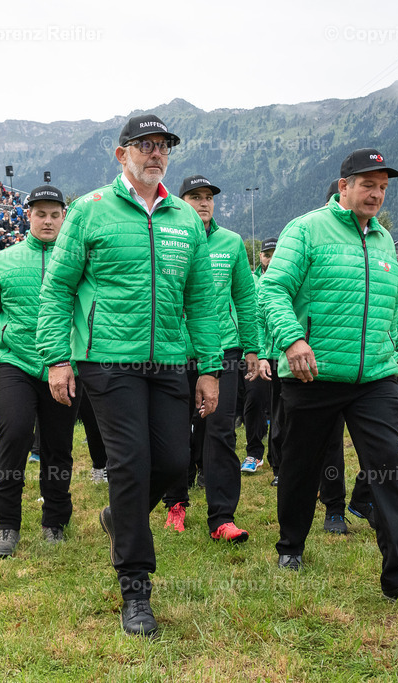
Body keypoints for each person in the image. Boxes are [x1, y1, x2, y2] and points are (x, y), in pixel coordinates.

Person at [37, 114, 222, 636]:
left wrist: (209, 368)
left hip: (169, 359)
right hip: (107, 359)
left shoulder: (185, 219)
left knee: (175, 461)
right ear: (122, 155)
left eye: (163, 145)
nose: (155, 153)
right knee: (131, 463)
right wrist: (57, 357)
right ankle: (135, 589)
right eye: (145, 145)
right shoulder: (90, 210)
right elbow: (58, 289)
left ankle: (120, 516)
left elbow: (201, 299)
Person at [259, 148, 398, 611]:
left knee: (388, 469)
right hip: (313, 372)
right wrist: (292, 339)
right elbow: (273, 290)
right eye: (367, 185)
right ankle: (291, 546)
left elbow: (393, 301)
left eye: (382, 187)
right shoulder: (306, 229)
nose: (376, 194)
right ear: (344, 187)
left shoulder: (383, 239)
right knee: (301, 468)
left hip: (374, 376)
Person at [0, 185, 80, 557]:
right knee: (14, 434)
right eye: (40, 214)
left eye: (55, 214)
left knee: (58, 445)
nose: (48, 221)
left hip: (64, 366)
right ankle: (7, 524)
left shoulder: (79, 260)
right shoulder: (4, 261)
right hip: (14, 361)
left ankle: (54, 521)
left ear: (64, 217)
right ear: (27, 216)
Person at [162, 174, 259, 541]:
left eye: (208, 197)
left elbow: (246, 297)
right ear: (180, 202)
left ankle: (222, 518)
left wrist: (252, 347)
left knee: (220, 431)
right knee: (175, 433)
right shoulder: (167, 239)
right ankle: (176, 503)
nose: (203, 202)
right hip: (175, 350)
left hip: (224, 350)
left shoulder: (231, 242)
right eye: (195, 196)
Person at [243, 237, 280, 482]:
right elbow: (253, 319)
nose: (271, 258)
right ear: (260, 257)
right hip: (257, 353)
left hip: (282, 354)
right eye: (267, 254)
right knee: (254, 400)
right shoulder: (250, 281)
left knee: (280, 409)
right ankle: (254, 453)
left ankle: (279, 462)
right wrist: (257, 352)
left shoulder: (288, 278)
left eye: (275, 254)